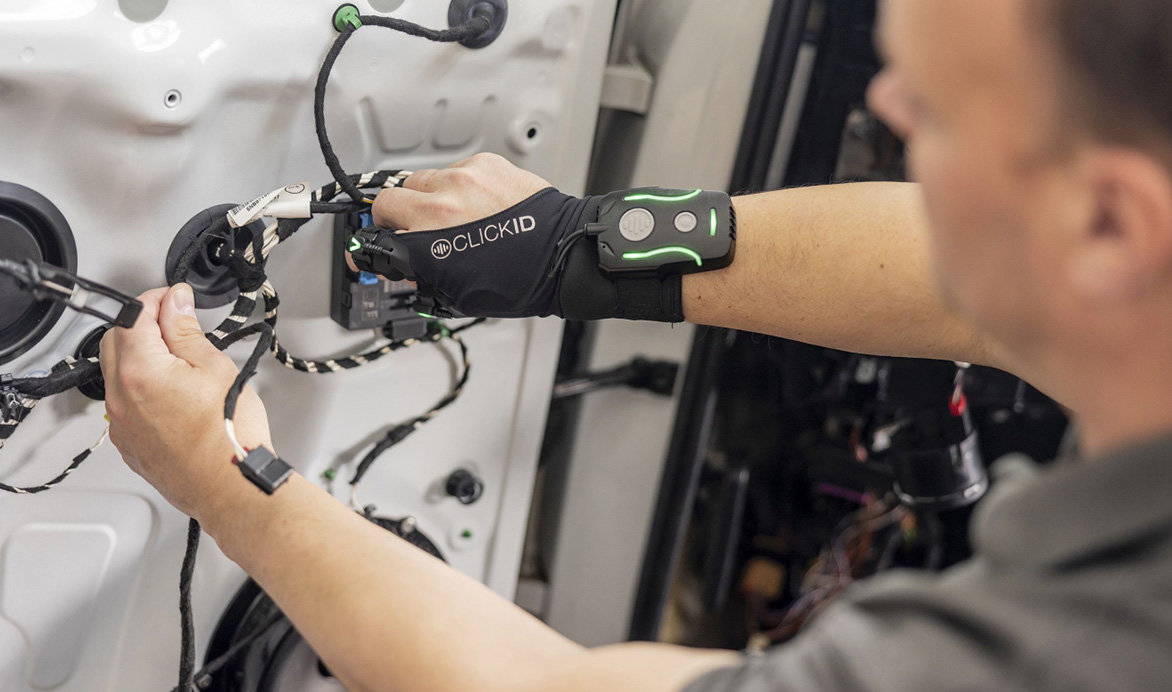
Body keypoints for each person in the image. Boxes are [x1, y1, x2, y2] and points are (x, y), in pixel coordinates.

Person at [99, 0, 1172, 689]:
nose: (884, 105)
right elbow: (956, 292)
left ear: (1109, 226)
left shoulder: (1092, 646)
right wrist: (575, 244)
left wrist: (233, 481)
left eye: (934, 114)